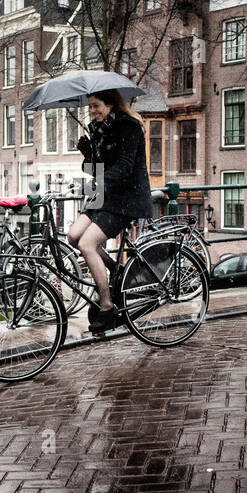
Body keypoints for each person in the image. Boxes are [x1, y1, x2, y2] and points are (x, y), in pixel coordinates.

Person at [66, 89, 152, 333]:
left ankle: (106, 305)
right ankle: (115, 269)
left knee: (87, 245)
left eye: (96, 106)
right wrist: (89, 155)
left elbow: (125, 167)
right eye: (90, 107)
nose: (92, 112)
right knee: (73, 237)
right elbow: (96, 169)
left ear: (111, 104)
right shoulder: (98, 130)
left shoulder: (129, 127)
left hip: (127, 198)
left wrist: (98, 183)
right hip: (103, 196)